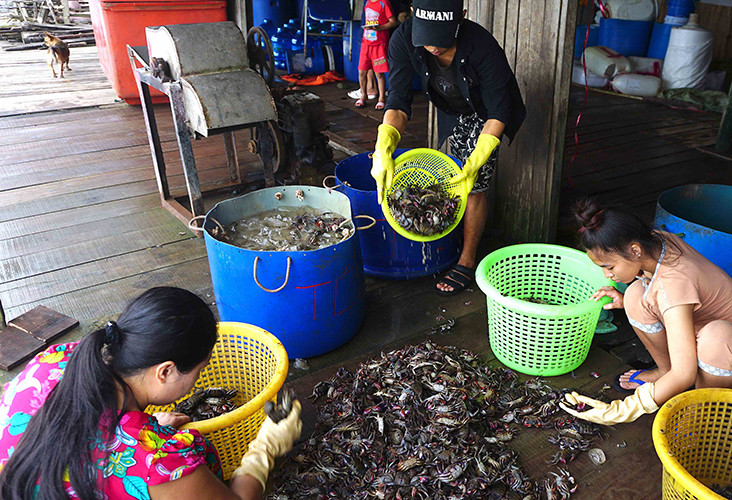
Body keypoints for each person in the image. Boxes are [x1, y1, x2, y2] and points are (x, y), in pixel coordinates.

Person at [0, 287, 302, 500]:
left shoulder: (55, 360)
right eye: (199, 371)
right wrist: (264, 451)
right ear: (165, 371)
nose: (198, 381)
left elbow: (80, 430)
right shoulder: (157, 460)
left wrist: (143, 428)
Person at [560, 199, 732, 425]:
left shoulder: (675, 281)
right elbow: (663, 292)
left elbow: (685, 372)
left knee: (716, 337)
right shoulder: (656, 241)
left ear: (635, 250)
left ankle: (701, 410)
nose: (607, 275)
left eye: (609, 267)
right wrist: (626, 301)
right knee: (635, 294)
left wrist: (625, 409)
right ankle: (666, 373)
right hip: (698, 340)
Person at [371, 0, 526, 296]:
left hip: (487, 113)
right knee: (454, 174)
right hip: (453, 107)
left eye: (440, 38)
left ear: (461, 17)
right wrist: (384, 143)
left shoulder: (482, 46)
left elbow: (498, 112)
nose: (432, 47)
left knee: (474, 183)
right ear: (414, 15)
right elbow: (398, 103)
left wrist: (477, 158)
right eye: (426, 37)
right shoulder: (403, 38)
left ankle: (467, 259)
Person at [356, 0, 398, 109]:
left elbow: (393, 22)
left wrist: (380, 28)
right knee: (361, 72)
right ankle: (363, 95)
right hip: (366, 43)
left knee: (379, 73)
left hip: (379, 44)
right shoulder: (367, 3)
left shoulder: (384, 3)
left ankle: (381, 98)